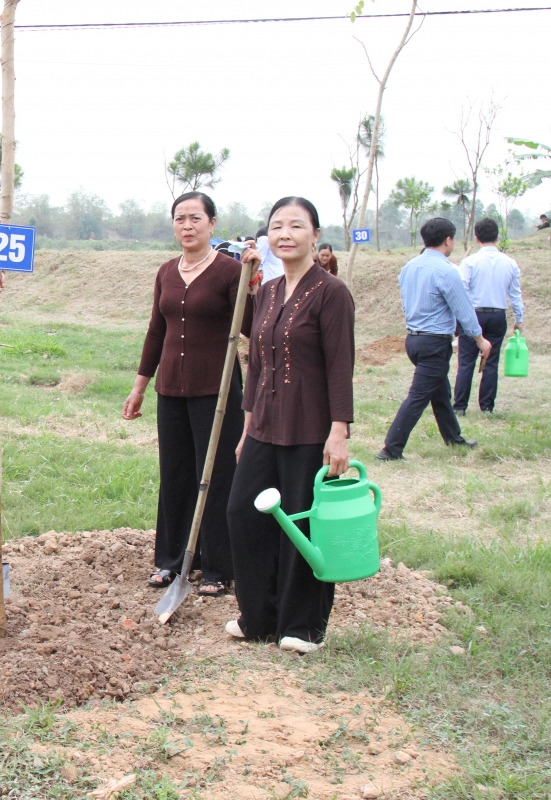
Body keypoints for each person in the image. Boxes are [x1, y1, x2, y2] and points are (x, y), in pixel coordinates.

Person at [225, 196, 355, 654]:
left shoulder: (331, 292)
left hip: (311, 427)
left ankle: (303, 626)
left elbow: (341, 367)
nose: (286, 234)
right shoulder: (268, 291)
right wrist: (244, 430)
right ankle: (258, 616)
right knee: (243, 514)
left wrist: (339, 432)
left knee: (303, 523)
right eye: (277, 226)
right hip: (263, 425)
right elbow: (256, 366)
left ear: (315, 235)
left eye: (296, 226)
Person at [123, 192, 247, 597]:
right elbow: (156, 331)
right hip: (171, 390)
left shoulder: (230, 272)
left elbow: (250, 325)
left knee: (214, 476)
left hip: (218, 391)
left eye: (196, 218)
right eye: (180, 219)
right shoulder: (166, 271)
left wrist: (251, 281)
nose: (187, 226)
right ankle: (172, 560)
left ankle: (217, 566)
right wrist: (140, 386)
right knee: (175, 474)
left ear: (213, 223)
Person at [378, 218, 491, 461]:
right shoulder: (446, 270)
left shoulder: (409, 267)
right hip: (434, 343)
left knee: (439, 392)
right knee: (418, 396)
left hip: (414, 340)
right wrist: (480, 339)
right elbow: (463, 309)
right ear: (448, 240)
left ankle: (454, 438)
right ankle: (390, 449)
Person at [453, 218, 524, 416]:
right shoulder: (510, 263)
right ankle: (487, 407)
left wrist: (459, 318)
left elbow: (462, 292)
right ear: (497, 236)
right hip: (497, 316)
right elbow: (515, 294)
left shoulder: (469, 262)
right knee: (491, 361)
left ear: (476, 238)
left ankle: (459, 406)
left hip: (473, 315)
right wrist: (519, 318)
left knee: (466, 361)